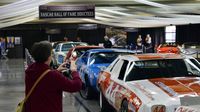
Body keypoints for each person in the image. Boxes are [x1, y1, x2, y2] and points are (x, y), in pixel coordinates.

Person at [25, 41, 82, 112]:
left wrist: (57, 71)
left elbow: (44, 83)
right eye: (51, 54)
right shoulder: (53, 76)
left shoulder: (30, 71)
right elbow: (76, 86)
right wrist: (74, 71)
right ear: (48, 57)